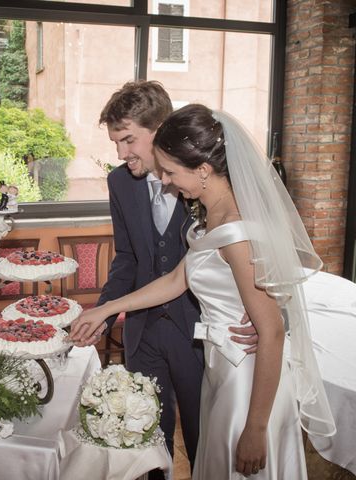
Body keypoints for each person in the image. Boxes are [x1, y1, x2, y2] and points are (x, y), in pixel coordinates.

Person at [71, 104, 336, 478]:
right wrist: (105, 309)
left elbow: (272, 331)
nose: (165, 181)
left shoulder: (237, 231)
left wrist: (256, 430)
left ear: (203, 170)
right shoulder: (210, 216)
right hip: (222, 373)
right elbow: (177, 279)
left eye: (172, 172)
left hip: (246, 380)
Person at [85, 81, 256, 477]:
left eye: (129, 140)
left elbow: (255, 253)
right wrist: (104, 316)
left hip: (198, 333)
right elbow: (126, 259)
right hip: (142, 334)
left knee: (205, 440)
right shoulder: (119, 183)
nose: (121, 154)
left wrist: (262, 311)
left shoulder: (207, 182)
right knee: (146, 441)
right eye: (115, 143)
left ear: (161, 129)